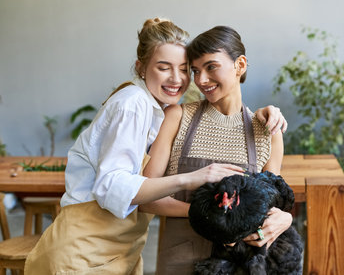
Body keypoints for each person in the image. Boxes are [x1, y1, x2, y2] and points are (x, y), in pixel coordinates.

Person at [24, 18, 287, 275]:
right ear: (141, 67)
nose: (188, 79)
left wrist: (284, 219)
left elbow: (274, 196)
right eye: (165, 67)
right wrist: (209, 210)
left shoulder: (162, 110)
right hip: (85, 250)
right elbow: (116, 187)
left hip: (122, 251)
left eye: (186, 69)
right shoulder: (135, 105)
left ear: (240, 64)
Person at [142, 25, 293, 274]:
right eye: (195, 71)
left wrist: (284, 219)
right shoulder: (178, 117)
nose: (201, 80)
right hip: (181, 259)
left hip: (242, 264)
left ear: (240, 65)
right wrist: (208, 215)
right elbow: (145, 197)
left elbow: (271, 201)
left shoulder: (267, 131)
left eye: (211, 67)